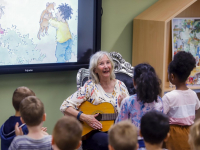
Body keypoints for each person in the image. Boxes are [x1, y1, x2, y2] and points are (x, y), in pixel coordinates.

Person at [60, 51, 129, 150]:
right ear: (95, 70)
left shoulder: (121, 85)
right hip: (95, 133)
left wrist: (124, 103)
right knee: (111, 141)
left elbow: (130, 111)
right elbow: (64, 106)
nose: (106, 66)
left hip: (119, 129)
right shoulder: (90, 87)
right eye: (101, 64)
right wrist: (85, 117)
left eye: (108, 62)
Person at [115, 63, 163, 149]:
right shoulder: (159, 100)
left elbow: (119, 128)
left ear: (134, 82)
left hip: (134, 144)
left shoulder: (128, 102)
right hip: (156, 143)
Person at [162, 51, 200, 150]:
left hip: (173, 136)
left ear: (172, 76)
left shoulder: (168, 97)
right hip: (190, 134)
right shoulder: (193, 94)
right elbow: (196, 110)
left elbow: (160, 116)